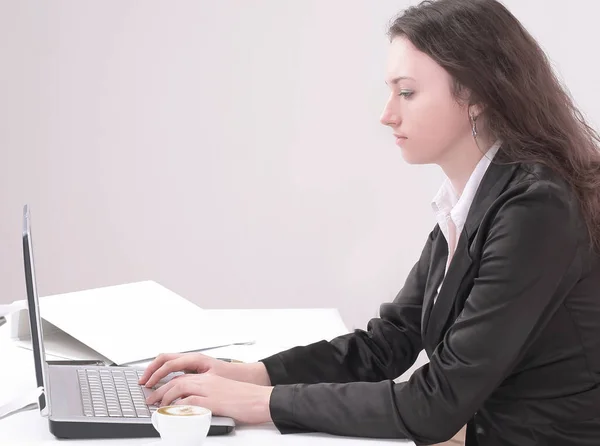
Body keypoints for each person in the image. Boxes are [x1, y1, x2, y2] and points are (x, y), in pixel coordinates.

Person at [138, 0, 600, 444]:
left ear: (475, 95)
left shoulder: (535, 210)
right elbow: (389, 342)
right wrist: (251, 374)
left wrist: (262, 402)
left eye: (407, 92)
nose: (387, 114)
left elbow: (435, 405)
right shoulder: (474, 200)